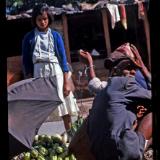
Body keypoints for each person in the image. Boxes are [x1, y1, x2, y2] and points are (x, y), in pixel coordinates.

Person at [78, 44, 152, 160]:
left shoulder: (106, 90)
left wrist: (89, 65)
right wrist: (143, 68)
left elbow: (93, 84)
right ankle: (140, 152)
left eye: (134, 67)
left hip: (100, 155)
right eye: (128, 66)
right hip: (123, 153)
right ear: (115, 70)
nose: (133, 71)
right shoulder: (125, 83)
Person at [22, 3, 79, 131]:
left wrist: (66, 82)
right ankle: (35, 139)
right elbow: (26, 62)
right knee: (39, 108)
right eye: (39, 19)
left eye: (45, 19)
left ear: (49, 19)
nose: (42, 22)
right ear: (34, 20)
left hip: (56, 72)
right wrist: (30, 82)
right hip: (39, 73)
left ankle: (70, 135)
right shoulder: (29, 38)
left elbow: (63, 60)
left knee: (63, 104)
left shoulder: (56, 36)